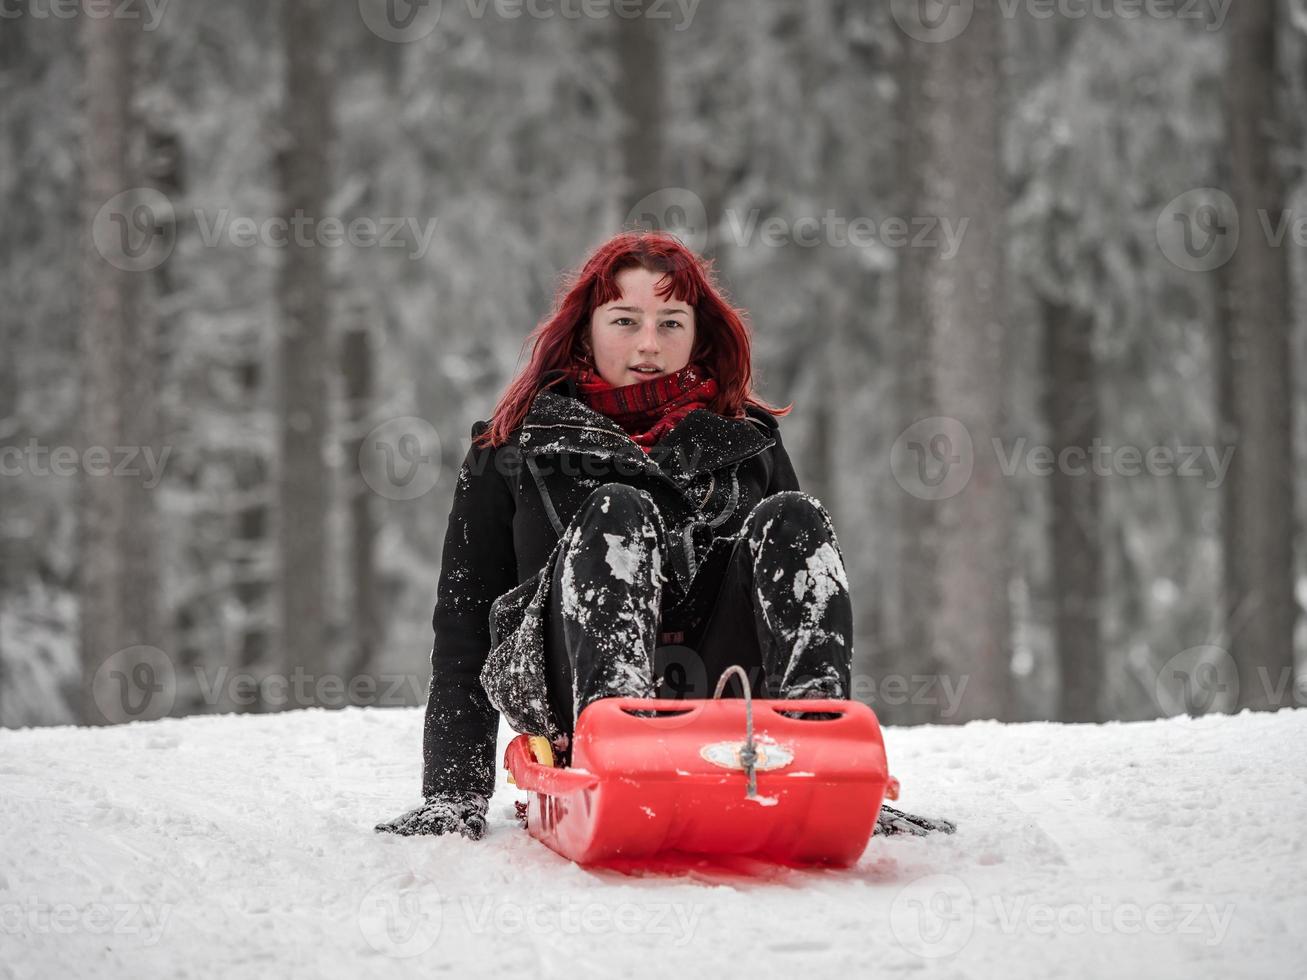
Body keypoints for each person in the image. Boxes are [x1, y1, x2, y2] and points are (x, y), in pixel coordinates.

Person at [376, 231, 954, 841]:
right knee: (616, 512)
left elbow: (786, 586)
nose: (649, 344)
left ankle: (820, 753)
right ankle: (619, 751)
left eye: (671, 323)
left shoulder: (748, 440)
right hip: (573, 695)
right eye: (625, 321)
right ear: (585, 330)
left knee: (794, 517)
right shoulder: (513, 449)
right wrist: (454, 795)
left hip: (723, 689)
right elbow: (465, 628)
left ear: (697, 335)